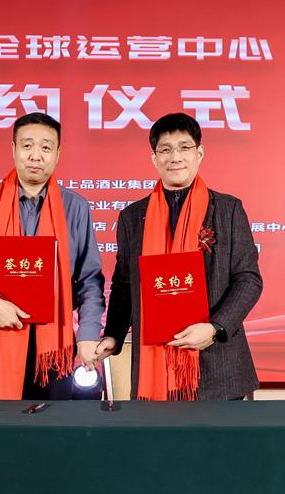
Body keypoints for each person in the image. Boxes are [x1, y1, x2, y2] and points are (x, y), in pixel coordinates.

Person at [96, 113, 262, 400]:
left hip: (218, 364)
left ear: (199, 153)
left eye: (184, 148)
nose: (175, 157)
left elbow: (248, 279)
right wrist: (113, 333)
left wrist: (215, 328)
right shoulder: (132, 217)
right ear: (154, 158)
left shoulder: (228, 209)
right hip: (154, 364)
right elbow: (124, 285)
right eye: (165, 149)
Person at [0, 112, 105, 400]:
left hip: (54, 347)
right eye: (27, 145)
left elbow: (89, 279)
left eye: (46, 147)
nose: (35, 155)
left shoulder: (75, 207)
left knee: (51, 426)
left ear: (58, 154)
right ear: (14, 149)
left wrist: (89, 333)